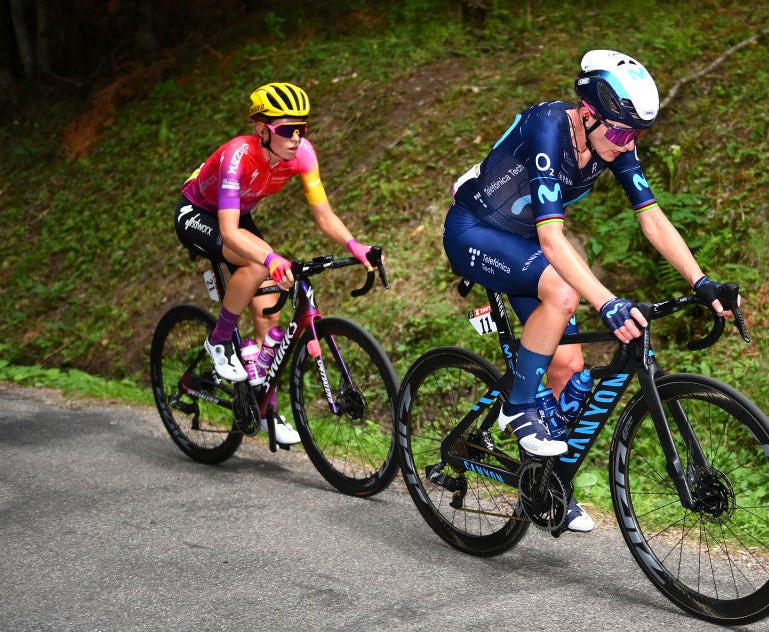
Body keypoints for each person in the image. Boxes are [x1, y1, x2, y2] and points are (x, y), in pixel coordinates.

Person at [442, 50, 736, 532]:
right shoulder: (548, 126)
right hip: (474, 230)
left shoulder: (614, 142)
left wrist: (701, 282)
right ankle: (518, 407)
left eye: (635, 137)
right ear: (588, 113)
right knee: (563, 294)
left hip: (524, 246)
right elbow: (553, 238)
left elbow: (652, 218)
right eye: (620, 133)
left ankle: (542, 485)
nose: (626, 146)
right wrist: (607, 302)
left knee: (571, 367)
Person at [175, 81, 376, 446]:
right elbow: (230, 233)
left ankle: (264, 407)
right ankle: (219, 342)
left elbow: (323, 214)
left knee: (269, 317)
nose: (297, 138)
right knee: (255, 266)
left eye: (303, 129)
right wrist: (270, 259)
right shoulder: (239, 154)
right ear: (263, 131)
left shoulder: (303, 155)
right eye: (287, 130)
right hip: (200, 214)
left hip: (238, 216)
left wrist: (354, 244)